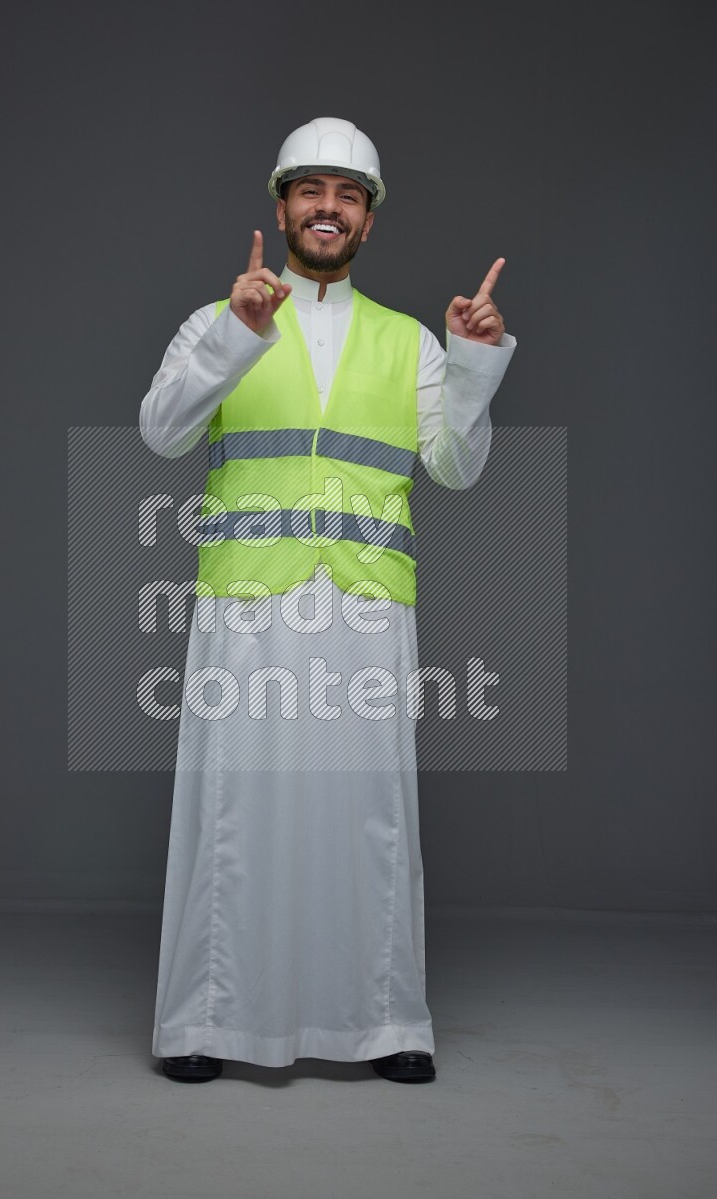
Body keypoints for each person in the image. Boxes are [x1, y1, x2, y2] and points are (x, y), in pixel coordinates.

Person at [139, 117, 516, 1084]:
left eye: (348, 195)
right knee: (235, 808)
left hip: (363, 612)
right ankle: (207, 1023)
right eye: (311, 190)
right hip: (248, 608)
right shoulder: (221, 318)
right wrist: (237, 335)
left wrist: (471, 364)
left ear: (369, 220)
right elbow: (162, 434)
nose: (328, 209)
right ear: (281, 206)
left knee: (369, 815)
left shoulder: (409, 343)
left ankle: (385, 1023)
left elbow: (458, 468)